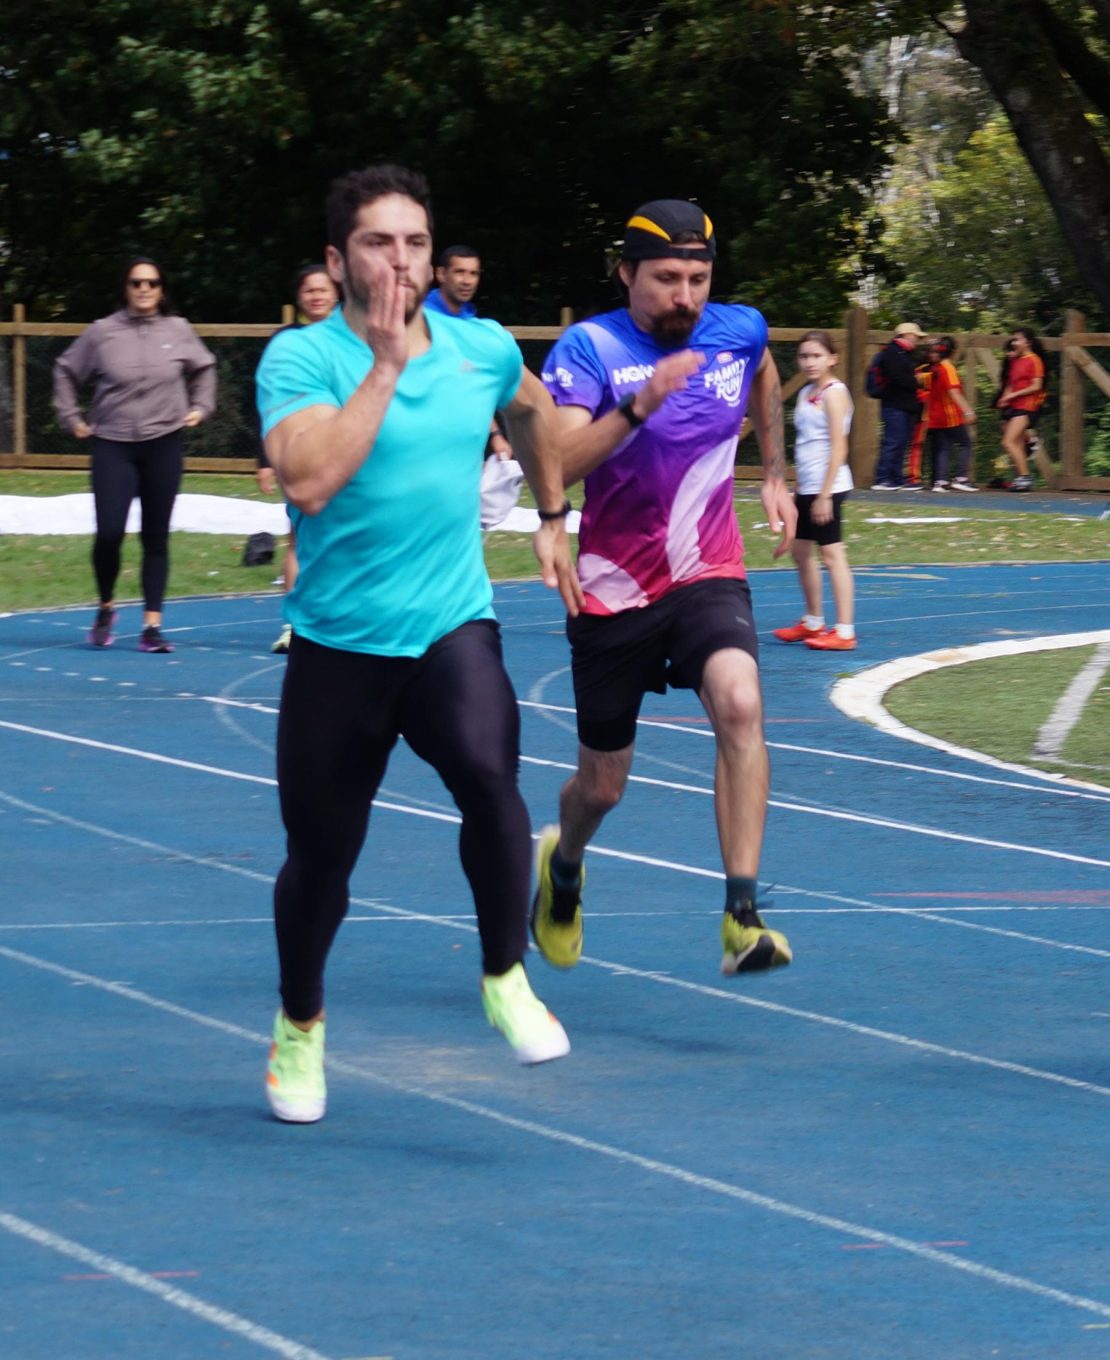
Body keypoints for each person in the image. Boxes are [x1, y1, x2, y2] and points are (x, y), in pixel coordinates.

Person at [255, 164, 571, 1124]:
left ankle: (505, 975)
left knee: (489, 775)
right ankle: (300, 1026)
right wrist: (386, 367)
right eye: (378, 243)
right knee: (321, 863)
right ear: (336, 260)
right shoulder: (300, 359)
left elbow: (533, 410)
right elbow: (308, 481)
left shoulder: (481, 348)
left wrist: (552, 513)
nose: (401, 260)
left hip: (448, 626)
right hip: (338, 647)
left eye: (416, 243)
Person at [530, 198, 797, 978]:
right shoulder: (591, 349)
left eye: (698, 280)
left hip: (707, 570)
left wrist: (774, 473)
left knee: (741, 703)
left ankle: (742, 917)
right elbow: (557, 465)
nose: (685, 297)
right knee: (602, 788)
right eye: (667, 279)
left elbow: (764, 370)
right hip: (613, 591)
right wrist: (640, 403)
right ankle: (563, 867)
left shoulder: (738, 330)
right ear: (626, 274)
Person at [52, 257, 217, 653]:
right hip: (113, 443)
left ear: (162, 289)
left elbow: (205, 367)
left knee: (155, 536)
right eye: (136, 283)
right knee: (110, 533)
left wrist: (201, 407)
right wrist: (71, 417)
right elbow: (65, 369)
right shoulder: (102, 332)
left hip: (164, 442)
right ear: (125, 288)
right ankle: (106, 605)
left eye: (152, 283)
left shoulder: (178, 330)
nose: (144, 289)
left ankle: (152, 627)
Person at [256, 263, 342, 654]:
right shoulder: (285, 342)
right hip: (302, 452)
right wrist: (265, 459)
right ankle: (294, 626)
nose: (317, 296)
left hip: (348, 452)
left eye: (323, 289)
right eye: (309, 290)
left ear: (337, 293)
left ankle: (338, 620)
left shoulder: (354, 337)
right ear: (299, 297)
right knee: (299, 538)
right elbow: (269, 403)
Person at [774, 330, 856, 651]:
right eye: (804, 356)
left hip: (829, 486)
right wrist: (798, 490)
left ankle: (845, 631)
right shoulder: (806, 392)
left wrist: (824, 495)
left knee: (832, 554)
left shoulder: (835, 393)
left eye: (817, 356)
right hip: (808, 486)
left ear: (832, 358)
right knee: (800, 551)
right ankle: (812, 621)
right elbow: (805, 445)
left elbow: (839, 447)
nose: (809, 362)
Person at [866, 321, 925, 490]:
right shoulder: (892, 352)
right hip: (894, 404)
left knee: (901, 442)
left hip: (903, 404)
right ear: (907, 335)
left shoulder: (903, 353)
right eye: (916, 336)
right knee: (893, 441)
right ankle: (882, 478)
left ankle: (896, 478)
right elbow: (896, 377)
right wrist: (916, 381)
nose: (918, 340)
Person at [924, 336, 977, 492]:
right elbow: (954, 392)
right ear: (953, 352)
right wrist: (968, 411)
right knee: (966, 443)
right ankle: (961, 477)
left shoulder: (935, 369)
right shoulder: (949, 368)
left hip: (935, 416)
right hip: (950, 415)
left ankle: (940, 481)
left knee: (944, 448)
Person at [996, 328, 1046, 491]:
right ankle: (1021, 477)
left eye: (1018, 339)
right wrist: (1005, 397)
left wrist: (1014, 394)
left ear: (1028, 342)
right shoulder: (1016, 360)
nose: (1014, 342)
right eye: (1014, 339)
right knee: (1016, 443)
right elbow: (1011, 383)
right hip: (1014, 405)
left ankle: (1025, 477)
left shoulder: (1034, 360)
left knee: (1008, 441)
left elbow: (1036, 386)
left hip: (1027, 406)